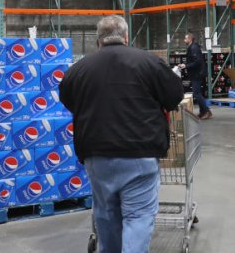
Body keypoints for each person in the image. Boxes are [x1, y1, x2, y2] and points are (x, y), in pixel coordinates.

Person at [60, 15, 184, 253]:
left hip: (97, 156)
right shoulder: (148, 62)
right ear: (126, 37)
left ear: (99, 41)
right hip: (140, 154)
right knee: (137, 217)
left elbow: (68, 98)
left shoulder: (80, 69)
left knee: (106, 216)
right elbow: (174, 95)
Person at [178, 32, 211, 120]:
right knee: (197, 93)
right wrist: (185, 64)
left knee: (197, 93)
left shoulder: (194, 48)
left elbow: (197, 62)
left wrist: (186, 66)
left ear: (190, 39)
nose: (184, 40)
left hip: (197, 74)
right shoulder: (192, 47)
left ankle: (206, 111)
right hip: (196, 73)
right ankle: (203, 112)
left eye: (185, 38)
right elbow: (192, 60)